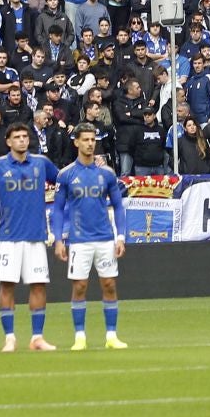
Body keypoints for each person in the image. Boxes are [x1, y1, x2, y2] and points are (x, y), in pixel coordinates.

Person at [0, 122, 62, 352]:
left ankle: (37, 337)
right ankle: (10, 338)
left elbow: (63, 181)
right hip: (9, 237)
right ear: (8, 141)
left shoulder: (41, 163)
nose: (22, 140)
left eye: (25, 136)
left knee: (38, 285)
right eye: (17, 137)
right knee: (7, 286)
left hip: (36, 236)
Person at [54, 125, 128, 351]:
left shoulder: (106, 174)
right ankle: (80, 337)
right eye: (85, 139)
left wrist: (121, 236)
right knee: (79, 287)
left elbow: (118, 206)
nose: (90, 144)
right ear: (76, 142)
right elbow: (57, 209)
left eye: (92, 140)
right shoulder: (66, 174)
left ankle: (111, 336)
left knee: (109, 284)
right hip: (79, 240)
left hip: (105, 238)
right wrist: (58, 239)